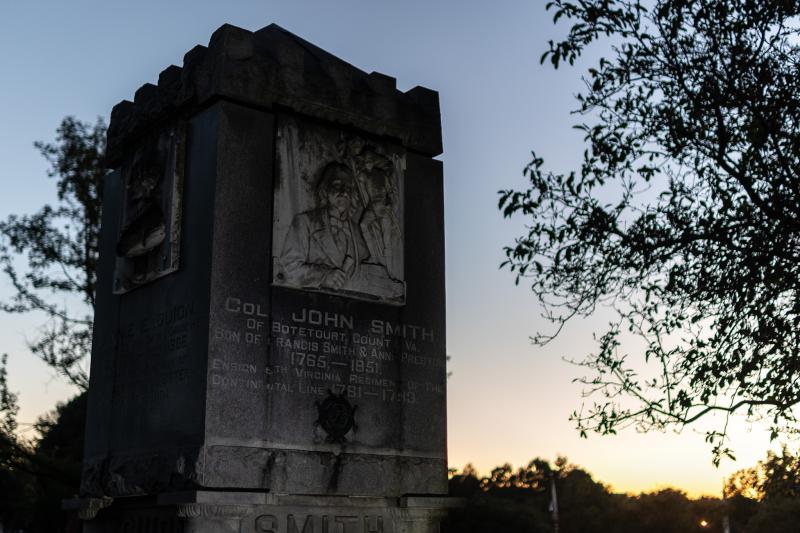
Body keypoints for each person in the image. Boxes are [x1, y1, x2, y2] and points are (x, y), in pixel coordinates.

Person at [277, 162, 403, 301]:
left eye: (348, 188)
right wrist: (324, 276)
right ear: (325, 191)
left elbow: (361, 271)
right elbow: (287, 269)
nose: (343, 192)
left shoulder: (358, 231)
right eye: (337, 186)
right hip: (308, 303)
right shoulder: (305, 222)